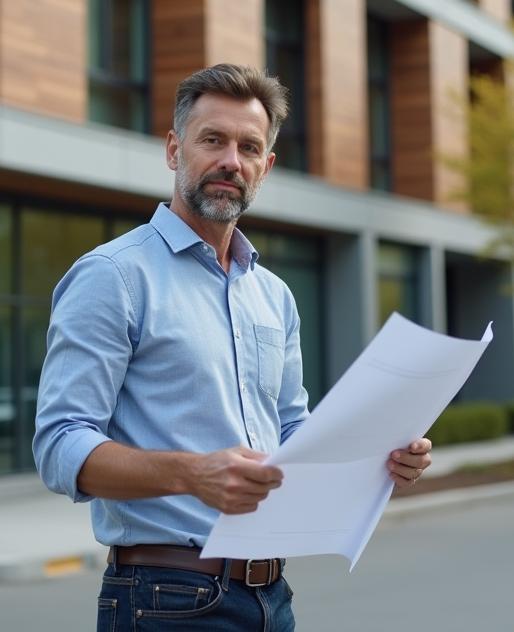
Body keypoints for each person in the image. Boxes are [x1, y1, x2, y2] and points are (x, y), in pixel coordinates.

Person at [33, 63, 433, 630]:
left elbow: (294, 437)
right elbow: (59, 445)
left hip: (272, 598)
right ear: (175, 150)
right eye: (212, 140)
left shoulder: (274, 295)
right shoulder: (112, 276)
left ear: (265, 167)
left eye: (249, 147)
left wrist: (379, 461)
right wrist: (191, 474)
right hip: (163, 598)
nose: (230, 161)